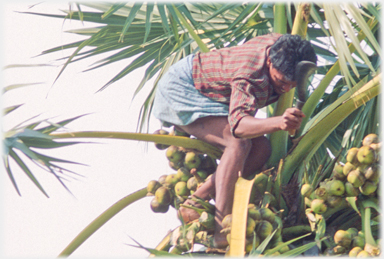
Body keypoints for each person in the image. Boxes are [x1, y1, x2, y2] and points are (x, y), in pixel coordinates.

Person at [152, 33, 317, 248]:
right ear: (269, 61)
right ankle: (222, 226)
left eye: (292, 84)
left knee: (262, 149)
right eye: (281, 81)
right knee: (238, 144)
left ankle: (196, 198)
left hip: (213, 94)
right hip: (182, 88)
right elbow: (239, 127)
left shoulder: (282, 46)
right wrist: (279, 123)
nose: (286, 89)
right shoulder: (250, 75)